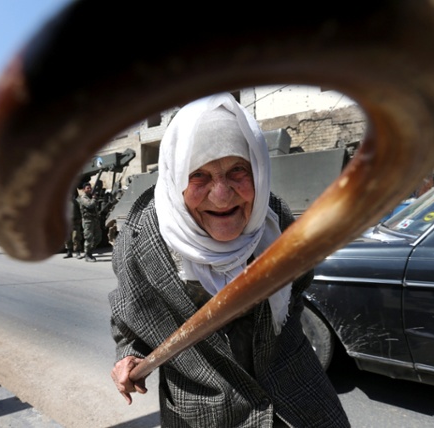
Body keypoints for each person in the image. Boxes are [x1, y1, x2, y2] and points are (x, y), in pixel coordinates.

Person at [109, 93, 350, 426]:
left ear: (259, 169)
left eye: (238, 170)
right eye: (199, 176)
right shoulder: (142, 240)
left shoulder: (273, 219)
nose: (221, 196)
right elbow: (129, 319)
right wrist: (128, 356)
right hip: (206, 412)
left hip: (297, 399)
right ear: (176, 175)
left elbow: (298, 287)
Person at [78, 181, 102, 262]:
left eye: (90, 188)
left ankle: (89, 252)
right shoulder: (83, 198)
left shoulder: (91, 197)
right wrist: (94, 198)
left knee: (98, 237)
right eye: (88, 188)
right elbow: (90, 205)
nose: (90, 189)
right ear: (84, 190)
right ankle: (88, 255)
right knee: (89, 238)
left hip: (94, 220)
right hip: (87, 221)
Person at [64, 188, 84, 259]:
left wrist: (80, 219)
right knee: (67, 238)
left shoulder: (76, 202)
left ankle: (77, 252)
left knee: (76, 237)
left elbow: (81, 211)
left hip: (75, 223)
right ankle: (69, 252)